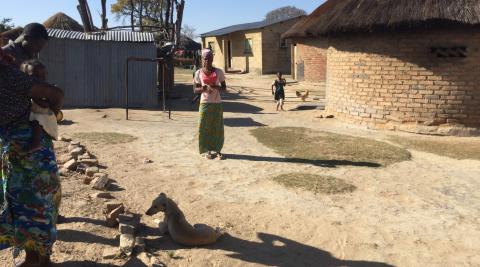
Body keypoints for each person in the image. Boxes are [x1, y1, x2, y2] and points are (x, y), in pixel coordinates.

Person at [0, 49, 64, 267]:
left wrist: (52, 114)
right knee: (21, 208)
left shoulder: (7, 75)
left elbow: (57, 94)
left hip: (35, 158)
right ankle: (31, 258)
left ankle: (44, 261)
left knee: (41, 207)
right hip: (15, 155)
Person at [193, 49, 227, 160]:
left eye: (209, 59)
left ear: (212, 59)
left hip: (217, 103)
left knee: (217, 127)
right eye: (205, 59)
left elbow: (224, 88)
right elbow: (195, 89)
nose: (207, 61)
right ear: (202, 59)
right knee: (204, 127)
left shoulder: (219, 72)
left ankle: (218, 150)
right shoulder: (198, 73)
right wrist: (204, 88)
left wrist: (215, 86)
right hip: (205, 103)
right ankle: (207, 150)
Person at [20, 60, 60, 152]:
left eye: (43, 75)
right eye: (35, 76)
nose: (40, 78)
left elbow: (45, 104)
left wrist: (36, 99)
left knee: (36, 122)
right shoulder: (25, 89)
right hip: (35, 113)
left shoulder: (47, 89)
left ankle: (36, 143)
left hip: (44, 115)